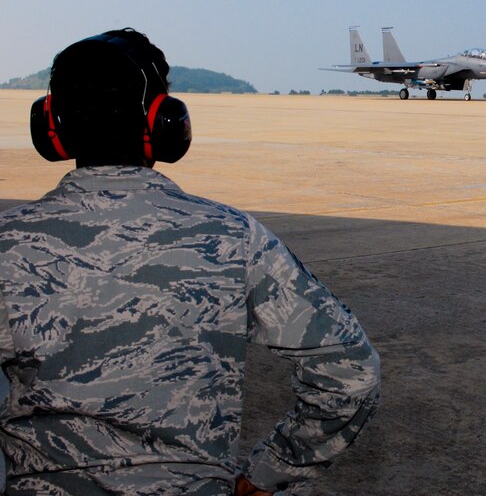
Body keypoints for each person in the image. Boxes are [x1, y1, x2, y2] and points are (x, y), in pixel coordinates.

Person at [0, 28, 381, 495]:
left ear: (51, 126)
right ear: (164, 123)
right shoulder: (234, 237)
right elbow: (351, 373)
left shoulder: (8, 243)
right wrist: (272, 471)